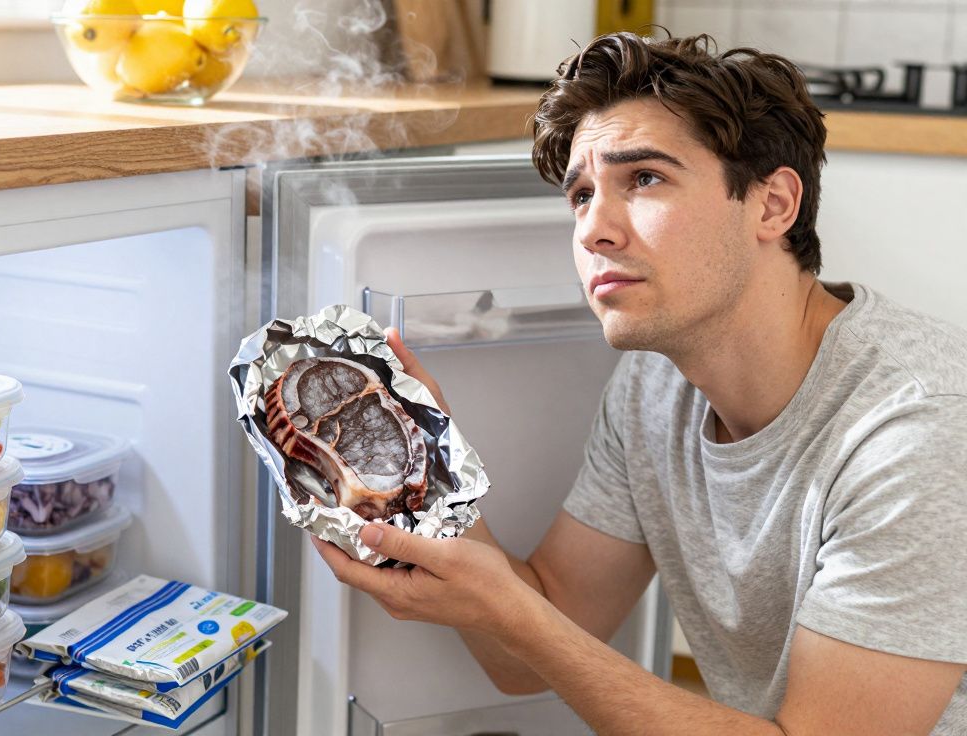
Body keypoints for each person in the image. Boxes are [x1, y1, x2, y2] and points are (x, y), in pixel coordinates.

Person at [313, 32, 967, 735]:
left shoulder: (919, 431)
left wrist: (515, 614)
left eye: (645, 178)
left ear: (773, 205)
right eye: (582, 195)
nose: (594, 228)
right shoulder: (653, 389)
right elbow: (528, 656)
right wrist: (431, 464)